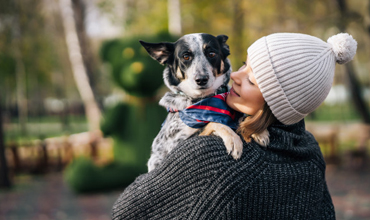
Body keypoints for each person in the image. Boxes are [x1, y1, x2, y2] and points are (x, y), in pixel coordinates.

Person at [111, 32, 357, 219]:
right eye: (242, 64)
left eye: (250, 79)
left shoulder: (214, 157)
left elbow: (126, 211)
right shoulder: (310, 152)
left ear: (276, 101)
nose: (234, 76)